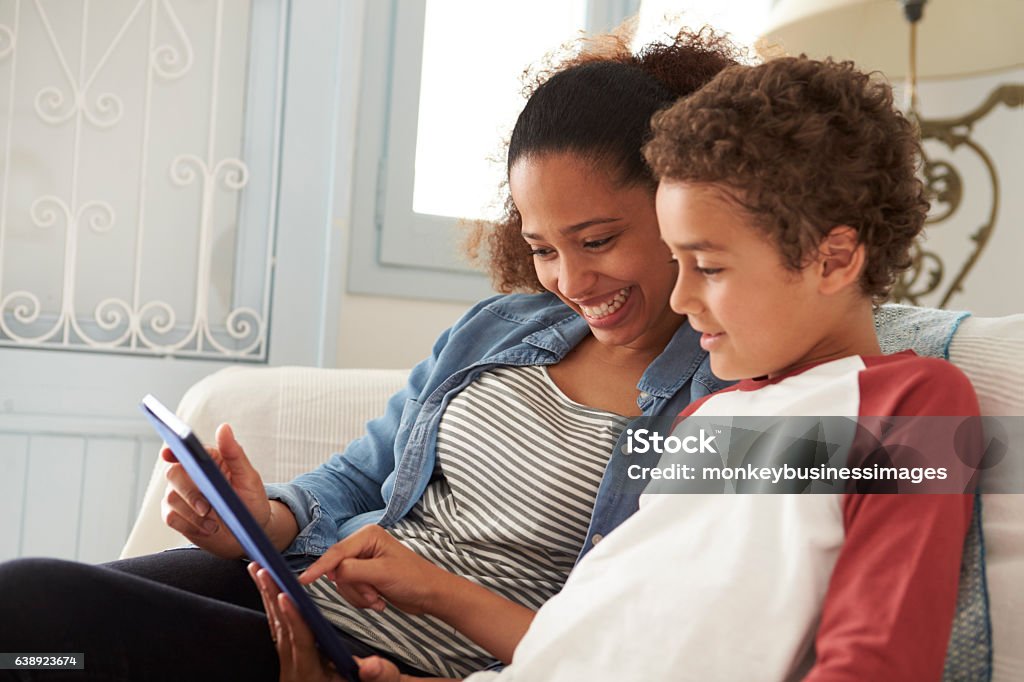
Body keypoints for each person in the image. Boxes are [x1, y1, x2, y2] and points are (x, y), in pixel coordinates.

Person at [0, 29, 743, 681]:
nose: (571, 282)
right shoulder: (501, 329)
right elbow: (363, 472)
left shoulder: (725, 399)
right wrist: (263, 519)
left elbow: (645, 639)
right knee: (24, 629)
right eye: (544, 248)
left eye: (598, 240)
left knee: (42, 615)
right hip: (306, 588)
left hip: (397, 658)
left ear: (679, 204)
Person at [254, 56, 982, 681]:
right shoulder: (713, 415)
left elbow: (875, 661)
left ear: (834, 258)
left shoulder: (913, 403)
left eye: (708, 266)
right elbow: (592, 643)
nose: (681, 293)